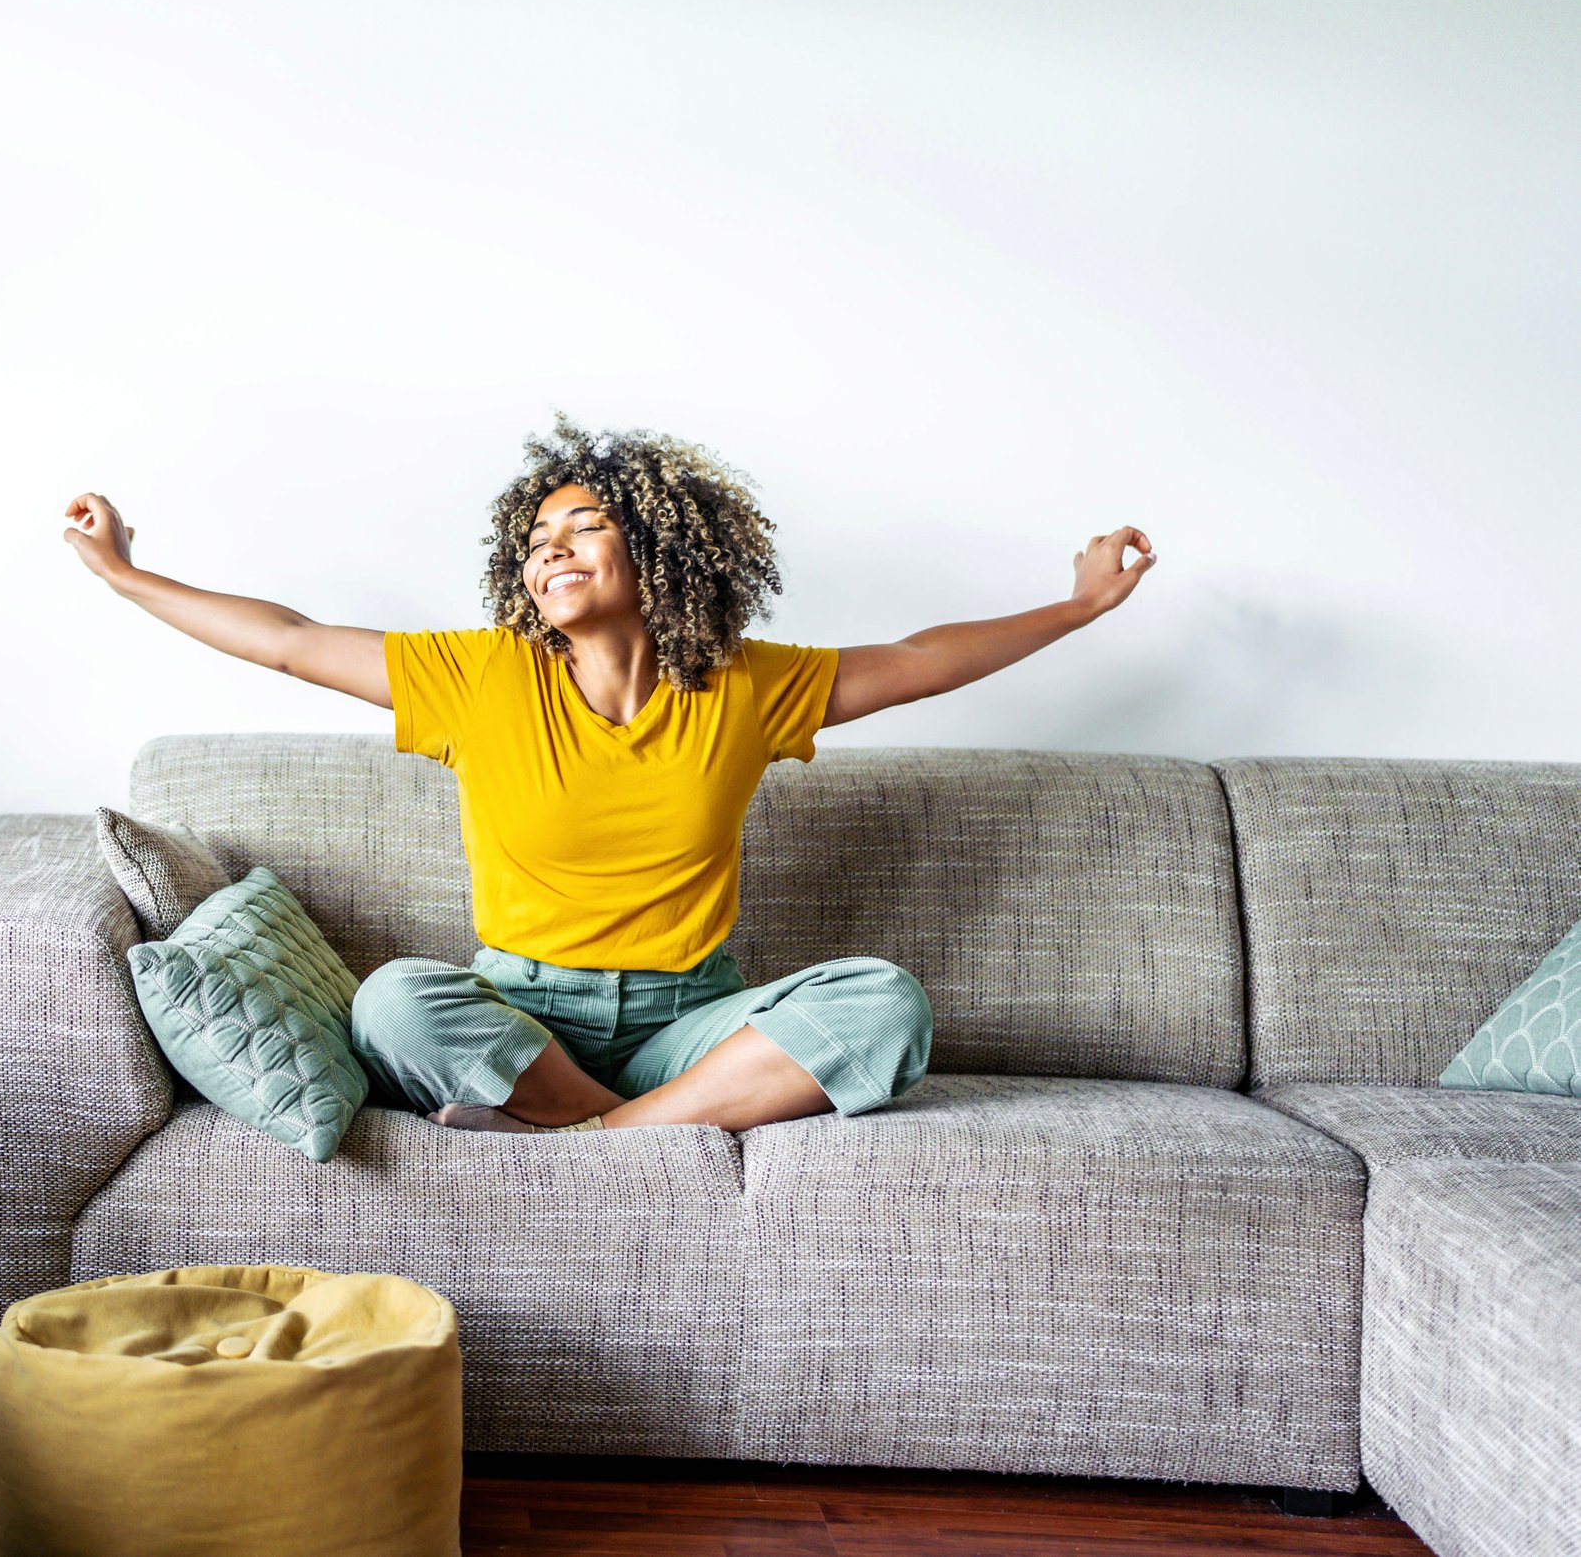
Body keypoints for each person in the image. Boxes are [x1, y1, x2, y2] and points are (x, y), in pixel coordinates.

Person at [60, 415, 1156, 1135]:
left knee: (884, 1003)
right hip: (522, 1014)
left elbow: (919, 662)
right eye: (536, 538)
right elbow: (291, 639)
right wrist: (123, 577)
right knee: (394, 1000)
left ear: (663, 551)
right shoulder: (477, 676)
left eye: (583, 524)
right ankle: (649, 1128)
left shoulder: (741, 686)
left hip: (693, 1020)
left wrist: (1079, 604)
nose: (551, 547)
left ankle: (599, 1139)